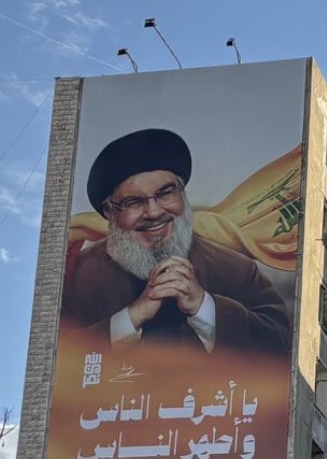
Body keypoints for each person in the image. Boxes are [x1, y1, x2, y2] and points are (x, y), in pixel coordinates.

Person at [63, 128, 291, 356]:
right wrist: (130, 318)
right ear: (109, 212)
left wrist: (203, 306)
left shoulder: (235, 269)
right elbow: (58, 361)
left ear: (183, 196)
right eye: (133, 202)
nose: (153, 212)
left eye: (165, 194)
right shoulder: (78, 277)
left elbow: (281, 347)